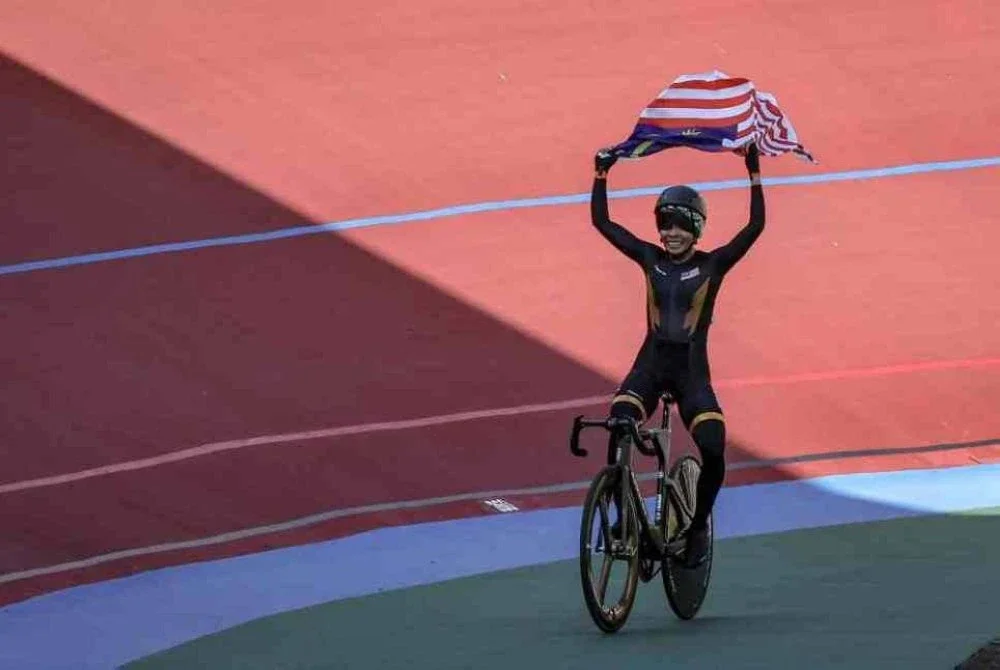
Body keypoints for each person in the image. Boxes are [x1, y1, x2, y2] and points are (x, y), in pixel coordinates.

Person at [590, 143, 765, 567]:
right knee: (619, 425)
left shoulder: (713, 265)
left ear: (697, 230)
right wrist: (601, 174)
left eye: (679, 226)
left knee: (713, 445)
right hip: (649, 367)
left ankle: (698, 525)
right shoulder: (649, 258)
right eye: (664, 224)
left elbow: (754, 227)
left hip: (691, 375)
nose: (670, 233)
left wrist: (753, 173)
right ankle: (620, 518)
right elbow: (602, 222)